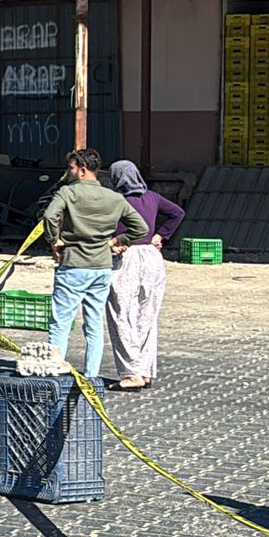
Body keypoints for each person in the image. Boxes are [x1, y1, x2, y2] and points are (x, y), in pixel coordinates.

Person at [41, 149, 148, 379]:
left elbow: (49, 216)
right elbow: (141, 228)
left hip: (72, 265)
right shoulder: (115, 198)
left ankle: (54, 374)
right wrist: (118, 240)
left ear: (81, 170)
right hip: (101, 267)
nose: (68, 172)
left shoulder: (67, 193)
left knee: (60, 323)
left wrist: (54, 240)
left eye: (70, 168)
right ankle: (91, 376)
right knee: (94, 325)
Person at [106, 159, 186, 391]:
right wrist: (161, 235)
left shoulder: (116, 201)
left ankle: (131, 373)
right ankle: (146, 370)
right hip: (152, 258)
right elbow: (177, 213)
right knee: (146, 315)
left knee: (121, 314)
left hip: (126, 256)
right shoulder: (152, 197)